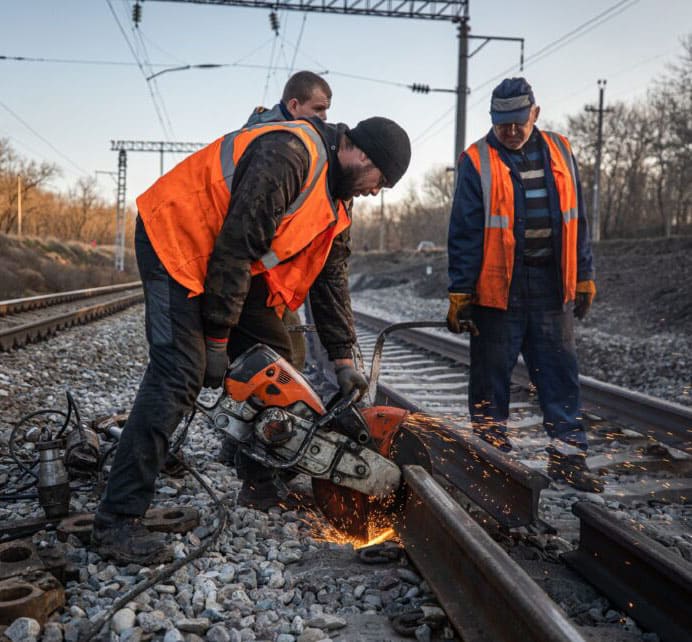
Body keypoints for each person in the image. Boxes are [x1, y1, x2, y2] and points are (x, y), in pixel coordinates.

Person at [91, 111, 411, 564]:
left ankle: (260, 484)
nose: (377, 190)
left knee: (273, 365)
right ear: (359, 152)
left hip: (226, 264)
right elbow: (238, 243)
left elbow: (331, 279)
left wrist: (342, 358)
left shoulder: (339, 203)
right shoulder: (290, 154)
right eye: (381, 178)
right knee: (179, 372)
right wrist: (217, 342)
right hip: (176, 240)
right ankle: (116, 522)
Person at [446, 77, 602, 493]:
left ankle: (569, 459)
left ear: (535, 113)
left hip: (552, 283)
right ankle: (490, 458)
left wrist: (584, 274)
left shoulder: (561, 150)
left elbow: (577, 219)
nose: (511, 131)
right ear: (493, 120)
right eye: (502, 124)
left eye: (518, 122)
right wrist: (460, 291)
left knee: (559, 372)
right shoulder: (476, 160)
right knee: (490, 377)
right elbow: (463, 232)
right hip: (498, 288)